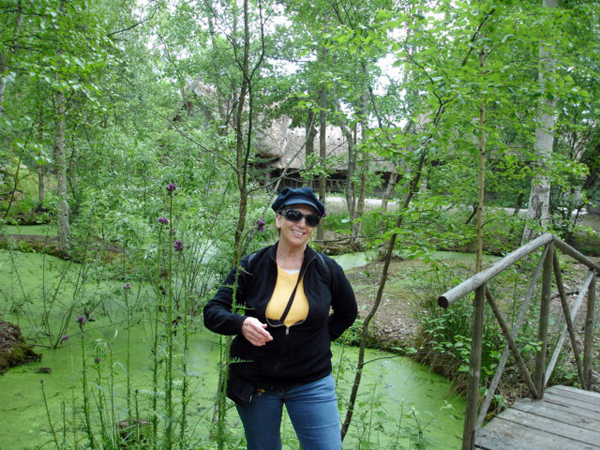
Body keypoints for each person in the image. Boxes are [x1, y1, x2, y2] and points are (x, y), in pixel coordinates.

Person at [203, 187, 358, 450]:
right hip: (257, 384)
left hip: (312, 383)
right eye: (294, 215)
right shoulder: (251, 265)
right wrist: (241, 324)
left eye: (311, 219)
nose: (302, 224)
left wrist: (316, 341)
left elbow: (347, 313)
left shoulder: (327, 269)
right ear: (278, 219)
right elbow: (212, 311)